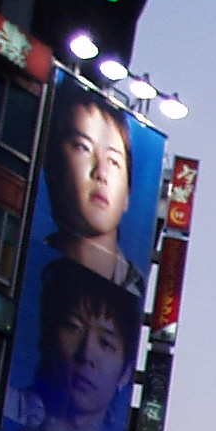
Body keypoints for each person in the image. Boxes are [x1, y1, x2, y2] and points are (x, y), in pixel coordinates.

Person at [3, 258, 141, 431]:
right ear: (47, 334)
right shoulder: (1, 408)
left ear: (125, 374)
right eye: (73, 327)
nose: (86, 354)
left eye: (105, 343)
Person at [42, 93, 139, 290]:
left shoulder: (135, 289)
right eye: (83, 148)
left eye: (113, 161)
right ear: (52, 165)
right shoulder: (27, 261)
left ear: (127, 194)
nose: (100, 173)